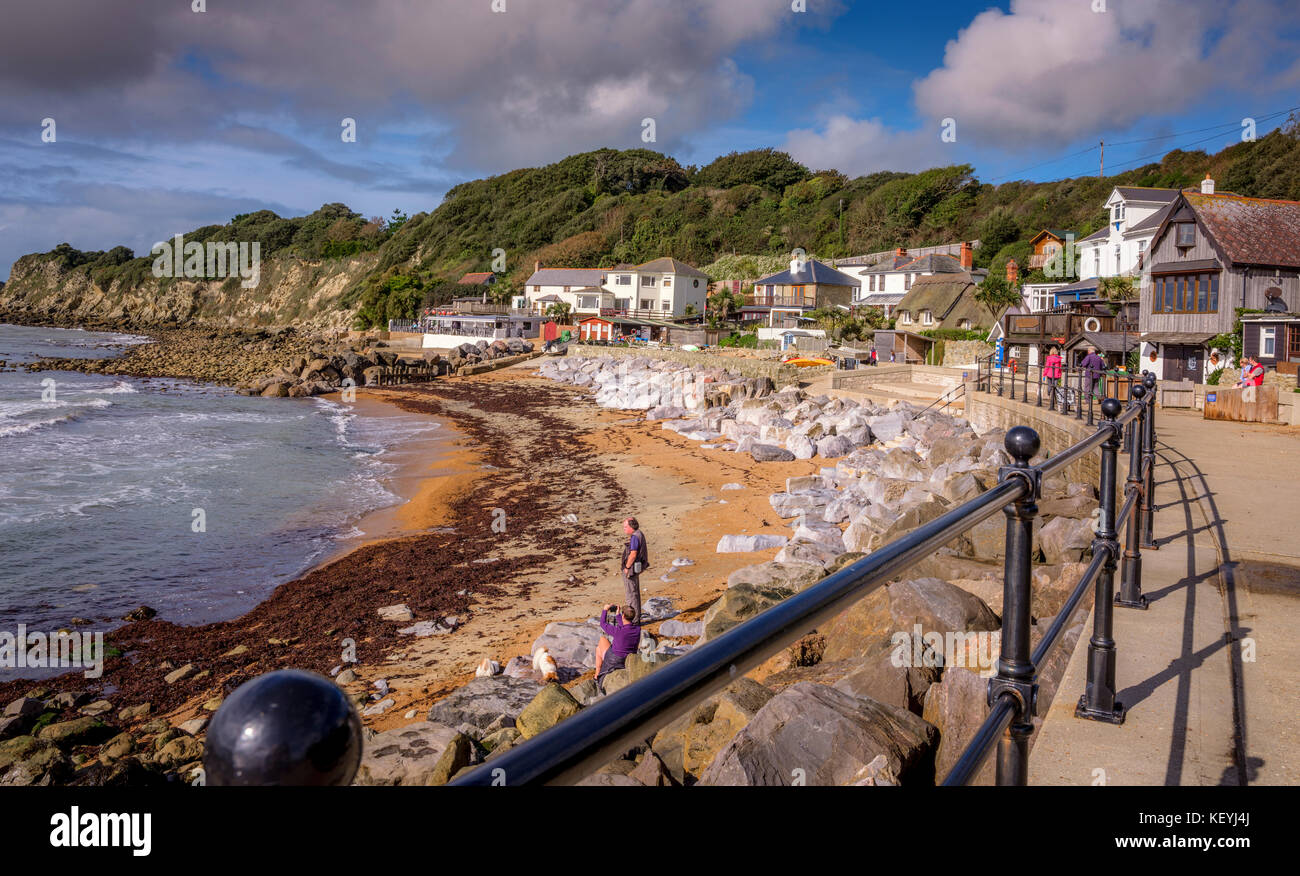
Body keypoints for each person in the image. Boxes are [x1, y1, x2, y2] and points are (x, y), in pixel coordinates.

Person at [595, 603, 642, 694]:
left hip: (614, 659)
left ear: (623, 615)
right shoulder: (637, 630)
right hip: (628, 659)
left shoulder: (619, 631)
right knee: (598, 649)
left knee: (602, 640)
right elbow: (625, 626)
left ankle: (597, 675)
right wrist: (617, 615)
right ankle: (596, 674)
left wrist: (605, 610)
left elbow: (602, 623)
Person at [620, 517, 648, 623]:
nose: (624, 529)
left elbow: (633, 554)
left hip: (631, 570)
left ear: (631, 527)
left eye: (625, 527)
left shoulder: (635, 537)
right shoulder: (639, 534)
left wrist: (626, 568)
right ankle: (636, 618)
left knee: (631, 595)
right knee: (634, 593)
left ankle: (633, 620)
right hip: (636, 568)